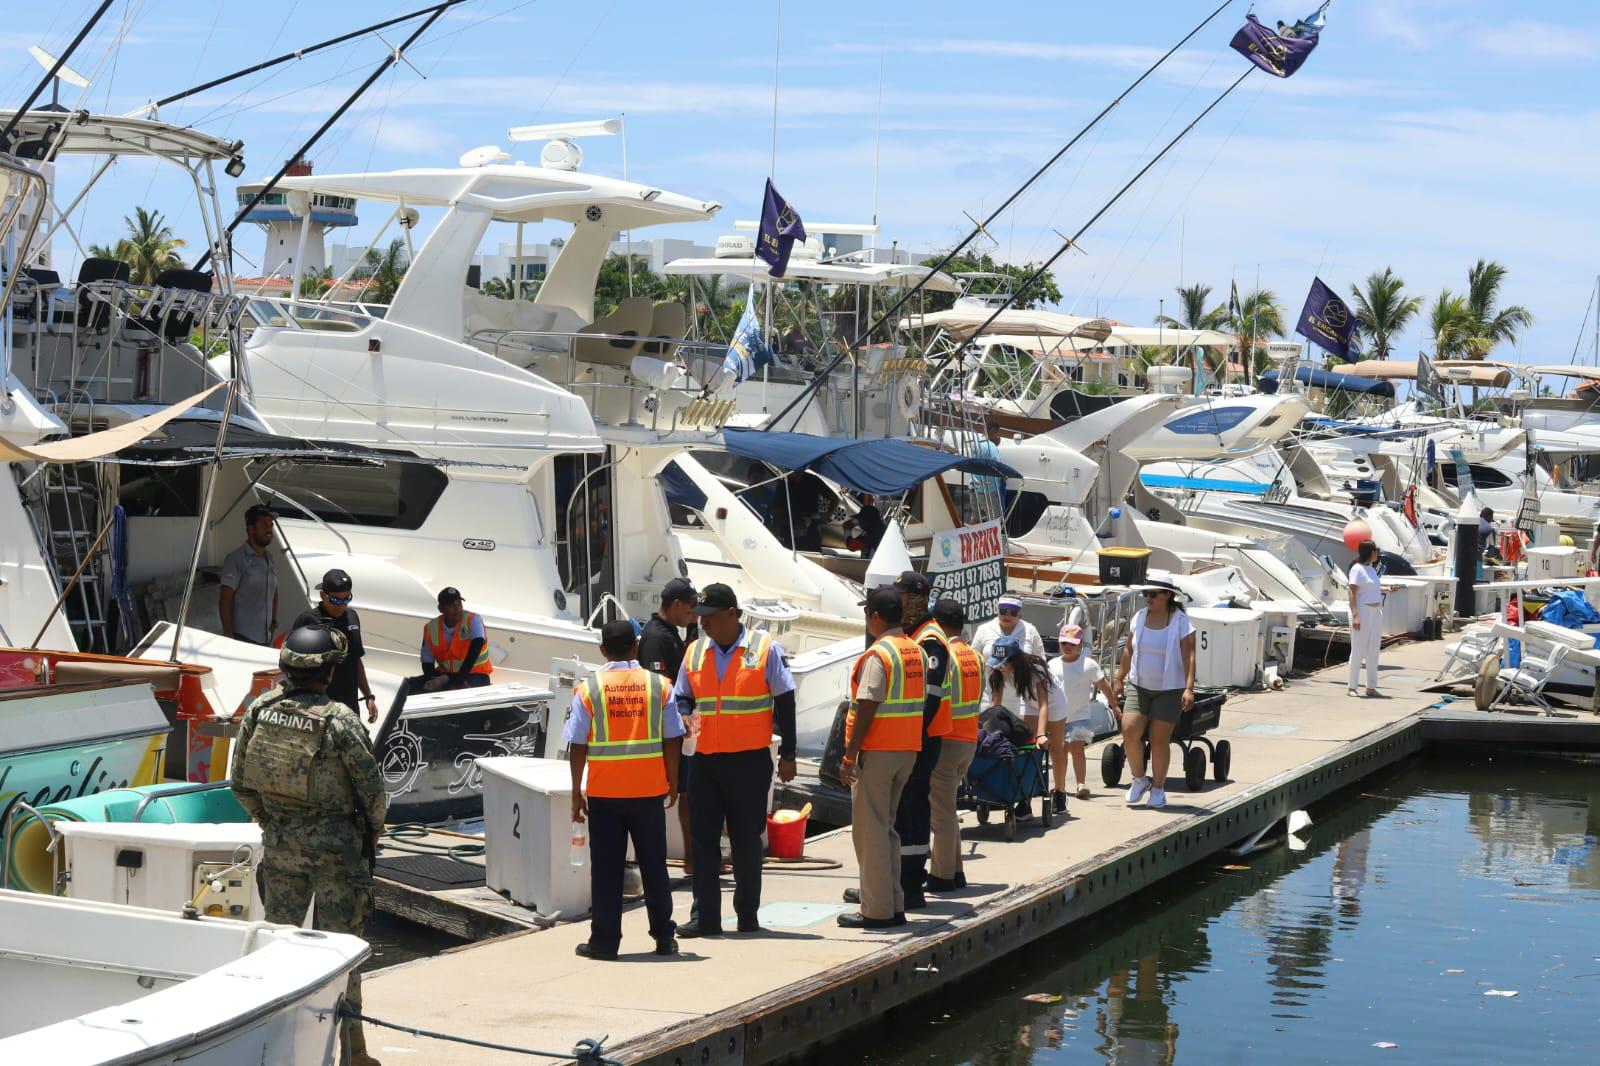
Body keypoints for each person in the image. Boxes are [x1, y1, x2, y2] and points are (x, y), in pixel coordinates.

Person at [231, 624, 385, 1066]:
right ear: (327, 673)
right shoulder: (340, 720)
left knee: (279, 950)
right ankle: (353, 1055)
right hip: (337, 854)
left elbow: (239, 783)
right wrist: (372, 828)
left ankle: (276, 1052)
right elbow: (371, 790)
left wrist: (273, 821)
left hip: (280, 849)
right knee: (344, 952)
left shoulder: (261, 710)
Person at [670, 583, 797, 938]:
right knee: (704, 840)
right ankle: (705, 917)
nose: (704, 624)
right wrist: (684, 717)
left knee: (745, 840)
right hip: (705, 761)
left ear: (732, 614)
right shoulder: (695, 651)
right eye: (701, 618)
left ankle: (747, 915)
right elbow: (683, 696)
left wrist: (789, 753)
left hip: (748, 762)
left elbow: (785, 701)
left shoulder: (763, 648)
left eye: (710, 617)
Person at [567, 620, 683, 960]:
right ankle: (664, 938)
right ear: (636, 647)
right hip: (648, 792)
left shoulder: (588, 688)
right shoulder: (659, 685)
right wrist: (672, 782)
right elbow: (672, 737)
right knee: (654, 867)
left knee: (606, 870)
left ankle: (604, 943)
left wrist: (577, 792)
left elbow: (577, 745)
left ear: (603, 651)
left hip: (605, 794)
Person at [838, 585, 926, 929]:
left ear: (875, 617)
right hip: (907, 750)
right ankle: (893, 902)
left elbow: (868, 705)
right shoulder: (913, 651)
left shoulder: (880, 654)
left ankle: (876, 911)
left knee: (870, 831)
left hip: (878, 751)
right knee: (887, 828)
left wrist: (849, 754)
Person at [1113, 582, 1197, 811]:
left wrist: (1188, 688)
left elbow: (1189, 657)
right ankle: (1140, 779)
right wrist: (1120, 679)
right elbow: (1129, 649)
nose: (1148, 597)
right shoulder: (1139, 617)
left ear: (1167, 595)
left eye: (1153, 594)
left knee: (1159, 739)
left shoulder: (1180, 622)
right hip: (1139, 685)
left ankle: (1158, 789)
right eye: (1145, 593)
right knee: (1129, 730)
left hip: (1169, 689)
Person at [638, 578, 698, 877]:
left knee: (687, 794)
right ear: (676, 604)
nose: (693, 615)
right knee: (681, 795)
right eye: (690, 609)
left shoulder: (672, 634)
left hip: (677, 729)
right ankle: (690, 858)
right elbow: (660, 687)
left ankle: (693, 855)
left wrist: (694, 629)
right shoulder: (656, 638)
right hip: (665, 733)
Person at [926, 597, 984, 893]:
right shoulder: (975, 656)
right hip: (969, 740)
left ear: (938, 622)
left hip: (947, 740)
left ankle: (942, 876)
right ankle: (956, 870)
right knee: (947, 808)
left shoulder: (944, 653)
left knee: (942, 813)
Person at [986, 634, 1062, 821]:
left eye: (1004, 663)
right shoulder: (998, 672)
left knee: (1051, 746)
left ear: (1015, 660)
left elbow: (1044, 704)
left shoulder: (1034, 670)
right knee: (1025, 746)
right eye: (998, 663)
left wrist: (1042, 734)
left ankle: (1060, 792)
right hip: (1029, 701)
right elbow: (995, 706)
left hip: (1054, 703)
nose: (1001, 667)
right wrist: (986, 730)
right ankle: (1025, 803)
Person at [291, 569, 378, 724]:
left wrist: (368, 696)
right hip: (317, 707)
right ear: (323, 595)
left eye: (347, 599)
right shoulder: (307, 620)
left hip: (349, 705)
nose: (341, 606)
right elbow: (291, 664)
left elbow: (355, 659)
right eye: (336, 601)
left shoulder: (352, 617)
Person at [1048, 623, 1120, 806]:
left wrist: (1114, 706)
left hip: (1080, 715)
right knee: (1060, 751)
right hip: (1057, 716)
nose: (1068, 647)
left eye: (1072, 643)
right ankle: (1060, 786)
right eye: (1064, 643)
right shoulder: (1052, 665)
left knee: (1077, 748)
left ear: (1080, 644)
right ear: (1059, 644)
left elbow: (1104, 686)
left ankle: (1081, 784)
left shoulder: (1089, 664)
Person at [219, 504, 279, 645]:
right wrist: (228, 635)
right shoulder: (236, 558)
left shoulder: (270, 558)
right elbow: (225, 600)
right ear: (250, 529)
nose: (269, 530)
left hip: (265, 637)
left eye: (271, 525)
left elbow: (274, 591)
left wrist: (274, 622)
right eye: (264, 525)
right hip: (242, 638)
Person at [416, 587, 492, 692]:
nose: (456, 608)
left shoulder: (473, 619)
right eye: (451, 605)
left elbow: (477, 644)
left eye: (459, 603)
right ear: (440, 609)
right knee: (413, 685)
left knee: (457, 690)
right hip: (445, 674)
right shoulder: (431, 628)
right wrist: (430, 679)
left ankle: (447, 682)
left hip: (475, 674)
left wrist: (460, 678)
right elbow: (427, 662)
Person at [1347, 539, 1384, 698]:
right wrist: (1355, 615)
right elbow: (1352, 592)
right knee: (1358, 649)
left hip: (1376, 612)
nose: (1378, 554)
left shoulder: (1371, 569)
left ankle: (1371, 686)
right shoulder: (1357, 569)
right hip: (1362, 611)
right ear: (1371, 552)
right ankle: (1351, 687)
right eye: (1376, 551)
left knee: (1373, 650)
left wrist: (1387, 589)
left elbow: (1370, 588)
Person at [972, 594, 1046, 663]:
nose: (1007, 616)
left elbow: (1041, 661)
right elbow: (973, 659)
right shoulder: (983, 629)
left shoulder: (1030, 630)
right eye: (1003, 611)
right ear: (997, 610)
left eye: (1013, 612)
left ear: (1019, 613)